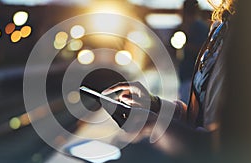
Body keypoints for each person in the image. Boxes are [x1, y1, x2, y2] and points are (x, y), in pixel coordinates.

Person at [101, 0, 236, 135]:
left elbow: (224, 146)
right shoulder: (220, 27)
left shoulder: (240, 37)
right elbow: (196, 120)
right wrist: (155, 105)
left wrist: (159, 124)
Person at [177, 0, 209, 104]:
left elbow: (202, 49)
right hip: (189, 76)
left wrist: (185, 46)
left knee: (188, 110)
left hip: (193, 77)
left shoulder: (198, 27)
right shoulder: (185, 27)